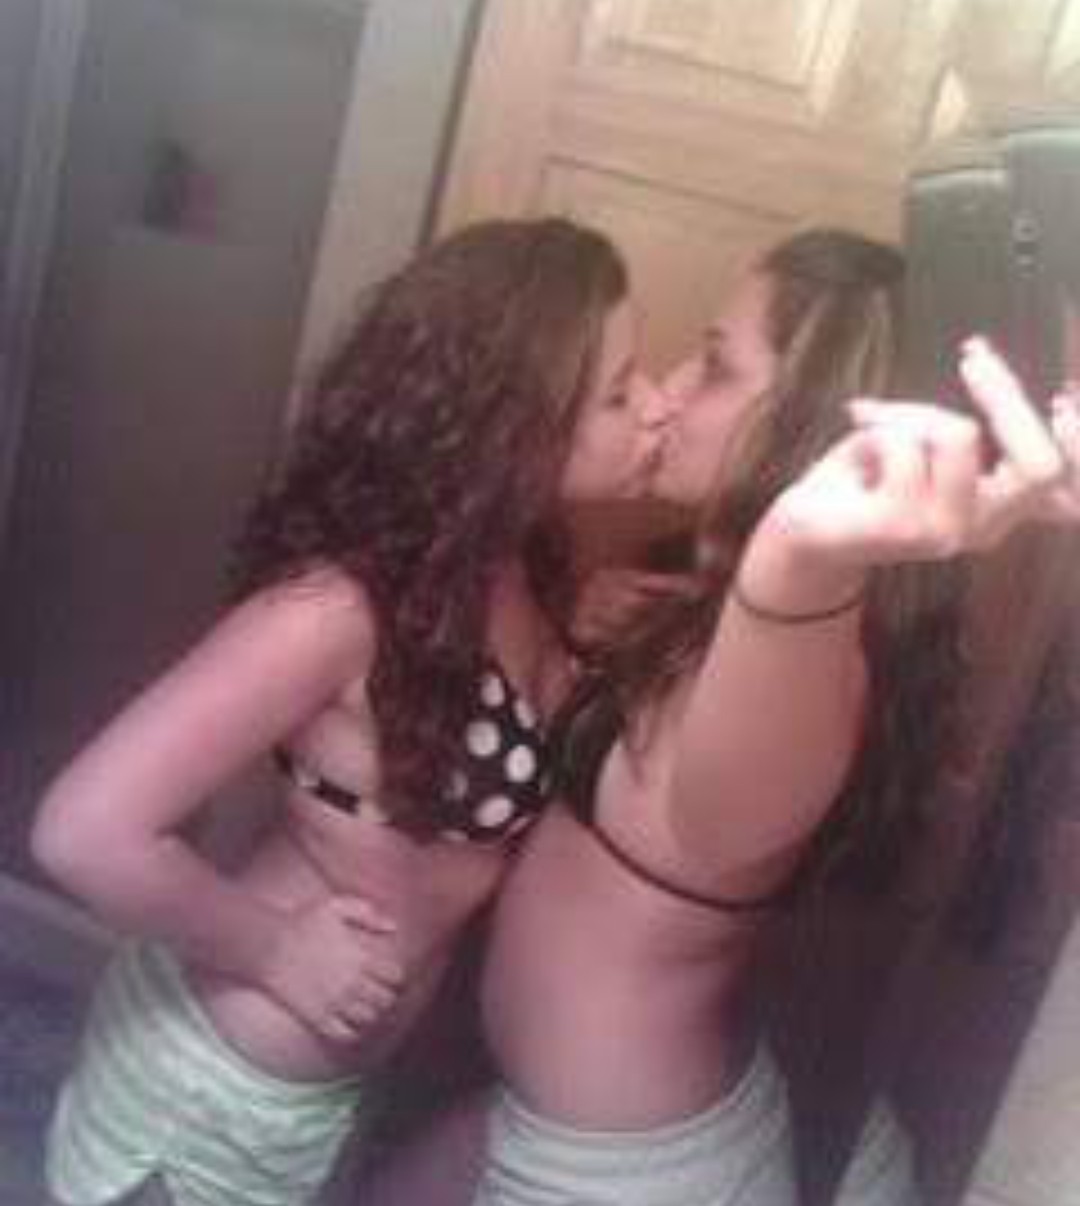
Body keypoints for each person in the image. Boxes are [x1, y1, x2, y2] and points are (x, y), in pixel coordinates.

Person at [354, 230, 1080, 1206]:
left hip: (620, 1170)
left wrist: (801, 558)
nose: (667, 393)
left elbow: (735, 798)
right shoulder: (695, 609)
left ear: (808, 417)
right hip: (564, 1115)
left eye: (716, 365)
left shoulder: (810, 650)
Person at [29, 217, 667, 1206]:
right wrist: (275, 948)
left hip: (324, 1096)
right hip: (209, 1098)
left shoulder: (520, 565)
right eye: (621, 391)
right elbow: (82, 832)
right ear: (516, 423)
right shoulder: (336, 611)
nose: (659, 405)